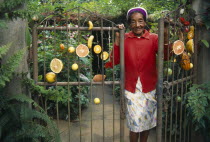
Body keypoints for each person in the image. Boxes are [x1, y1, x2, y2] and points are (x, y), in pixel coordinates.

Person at [105, 7, 158, 142]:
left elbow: (167, 55)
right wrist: (117, 39)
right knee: (134, 124)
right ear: (129, 24)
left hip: (149, 88)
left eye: (140, 21)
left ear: (145, 22)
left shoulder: (153, 38)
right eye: (133, 22)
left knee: (147, 123)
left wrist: (167, 32)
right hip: (131, 88)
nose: (137, 25)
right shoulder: (125, 38)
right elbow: (113, 62)